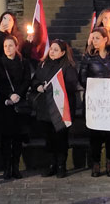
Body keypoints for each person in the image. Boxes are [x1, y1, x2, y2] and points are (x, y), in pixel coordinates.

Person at [79, 27, 110, 178]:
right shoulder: (88, 56)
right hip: (95, 100)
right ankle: (95, 163)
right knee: (95, 134)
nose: (94, 41)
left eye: (97, 38)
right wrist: (95, 84)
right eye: (92, 38)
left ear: (106, 39)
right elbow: (82, 77)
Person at [31, 39, 79, 178]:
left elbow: (72, 84)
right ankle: (51, 164)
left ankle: (61, 165)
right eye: (51, 49)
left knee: (61, 138)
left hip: (61, 108)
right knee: (49, 138)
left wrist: (57, 86)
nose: (52, 51)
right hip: (46, 108)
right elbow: (34, 80)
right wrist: (38, 86)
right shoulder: (43, 64)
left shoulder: (68, 66)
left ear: (63, 52)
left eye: (56, 50)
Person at [0, 35, 31, 180]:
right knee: (5, 138)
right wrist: (9, 95)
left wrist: (18, 94)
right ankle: (6, 168)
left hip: (19, 103)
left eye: (10, 45)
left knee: (18, 137)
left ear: (16, 46)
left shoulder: (23, 63)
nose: (8, 48)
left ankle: (16, 166)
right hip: (4, 104)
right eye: (5, 46)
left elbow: (27, 80)